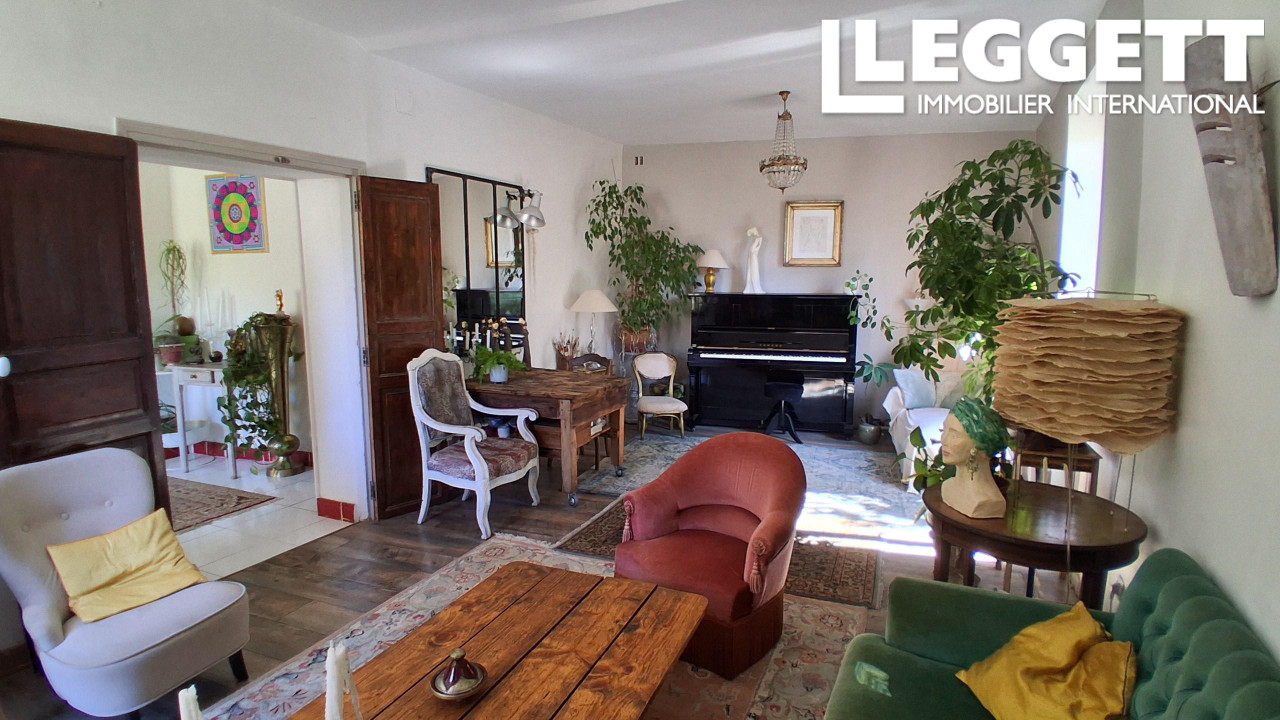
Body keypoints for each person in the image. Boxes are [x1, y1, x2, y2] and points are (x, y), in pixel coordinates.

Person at [939, 397, 1009, 519]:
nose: (943, 440)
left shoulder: (987, 501)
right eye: (944, 430)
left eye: (954, 435)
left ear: (980, 445)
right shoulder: (948, 487)